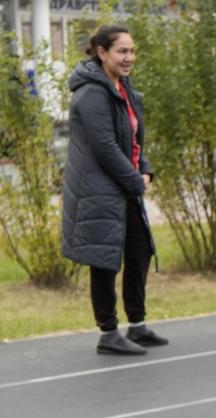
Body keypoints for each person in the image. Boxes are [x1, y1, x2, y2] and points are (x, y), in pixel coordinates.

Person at [62, 25, 166, 355]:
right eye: (122, 51)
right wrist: (136, 181)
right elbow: (105, 147)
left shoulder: (123, 88)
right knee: (105, 260)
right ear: (102, 53)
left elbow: (132, 140)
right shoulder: (92, 93)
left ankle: (137, 325)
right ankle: (108, 333)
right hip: (99, 189)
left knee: (139, 252)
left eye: (132, 51)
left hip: (124, 186)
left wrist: (145, 167)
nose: (129, 57)